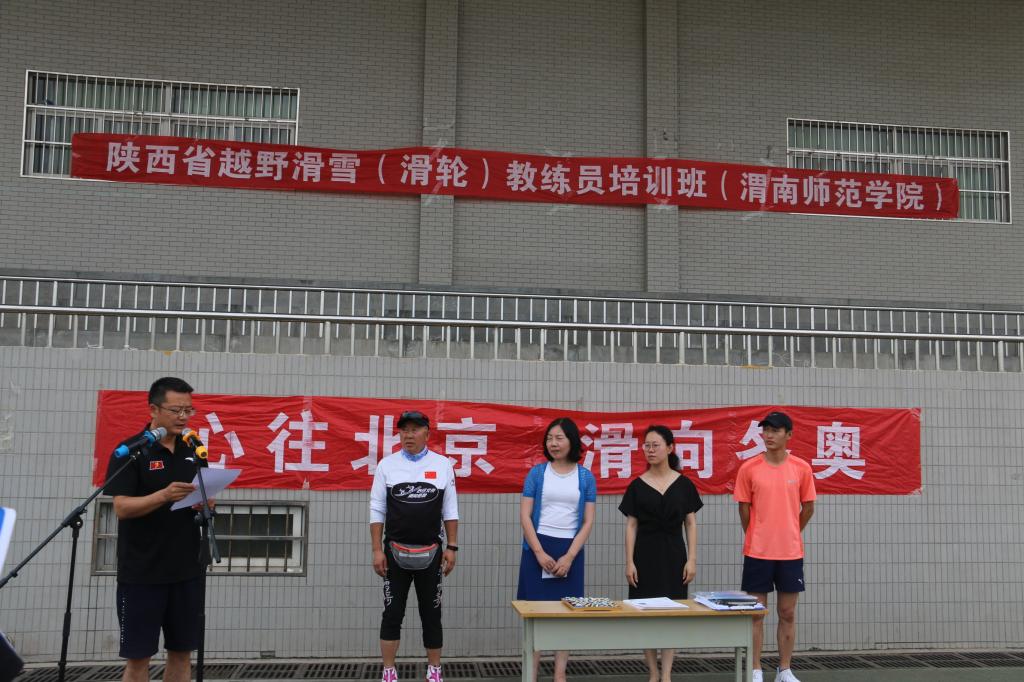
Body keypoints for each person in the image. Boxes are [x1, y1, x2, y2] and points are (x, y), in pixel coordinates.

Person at [102, 377, 208, 682]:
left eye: (188, 410)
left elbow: (197, 495)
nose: (183, 417)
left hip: (187, 570)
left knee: (182, 654)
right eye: (176, 410)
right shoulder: (132, 451)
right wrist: (163, 495)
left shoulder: (193, 448)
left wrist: (204, 503)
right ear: (153, 409)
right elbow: (122, 507)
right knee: (138, 659)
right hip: (142, 573)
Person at [370, 411, 458, 682]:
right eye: (404, 430)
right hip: (394, 553)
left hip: (431, 553)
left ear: (427, 434)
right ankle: (388, 671)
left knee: (431, 614)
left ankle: (434, 670)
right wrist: (377, 550)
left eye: (415, 429)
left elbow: (450, 509)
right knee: (392, 613)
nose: (408, 435)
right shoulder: (387, 465)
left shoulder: (442, 465)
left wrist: (452, 547)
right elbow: (377, 508)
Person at [733, 411, 816, 682]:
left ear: (788, 435)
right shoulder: (749, 468)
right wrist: (758, 534)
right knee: (756, 614)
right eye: (766, 430)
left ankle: (784, 669)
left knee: (787, 613)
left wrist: (789, 531)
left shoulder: (801, 468)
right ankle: (755, 669)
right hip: (758, 552)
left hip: (790, 553)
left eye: (775, 430)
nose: (768, 435)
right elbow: (744, 508)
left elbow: (808, 507)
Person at [619, 425, 702, 682]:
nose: (650, 450)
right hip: (644, 557)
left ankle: (666, 674)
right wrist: (629, 561)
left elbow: (690, 523)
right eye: (647, 445)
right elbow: (631, 525)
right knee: (645, 614)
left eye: (655, 445)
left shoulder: (684, 484)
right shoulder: (637, 486)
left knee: (672, 614)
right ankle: (653, 673)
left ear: (670, 448)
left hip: (675, 556)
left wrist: (691, 559)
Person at [517, 417, 597, 682]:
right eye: (550, 438)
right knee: (535, 614)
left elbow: (587, 521)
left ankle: (559, 675)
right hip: (538, 548)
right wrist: (539, 552)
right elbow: (525, 515)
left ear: (572, 441)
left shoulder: (585, 477)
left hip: (569, 550)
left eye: (559, 438)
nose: (553, 443)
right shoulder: (537, 473)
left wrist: (570, 556)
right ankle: (531, 674)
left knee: (566, 614)